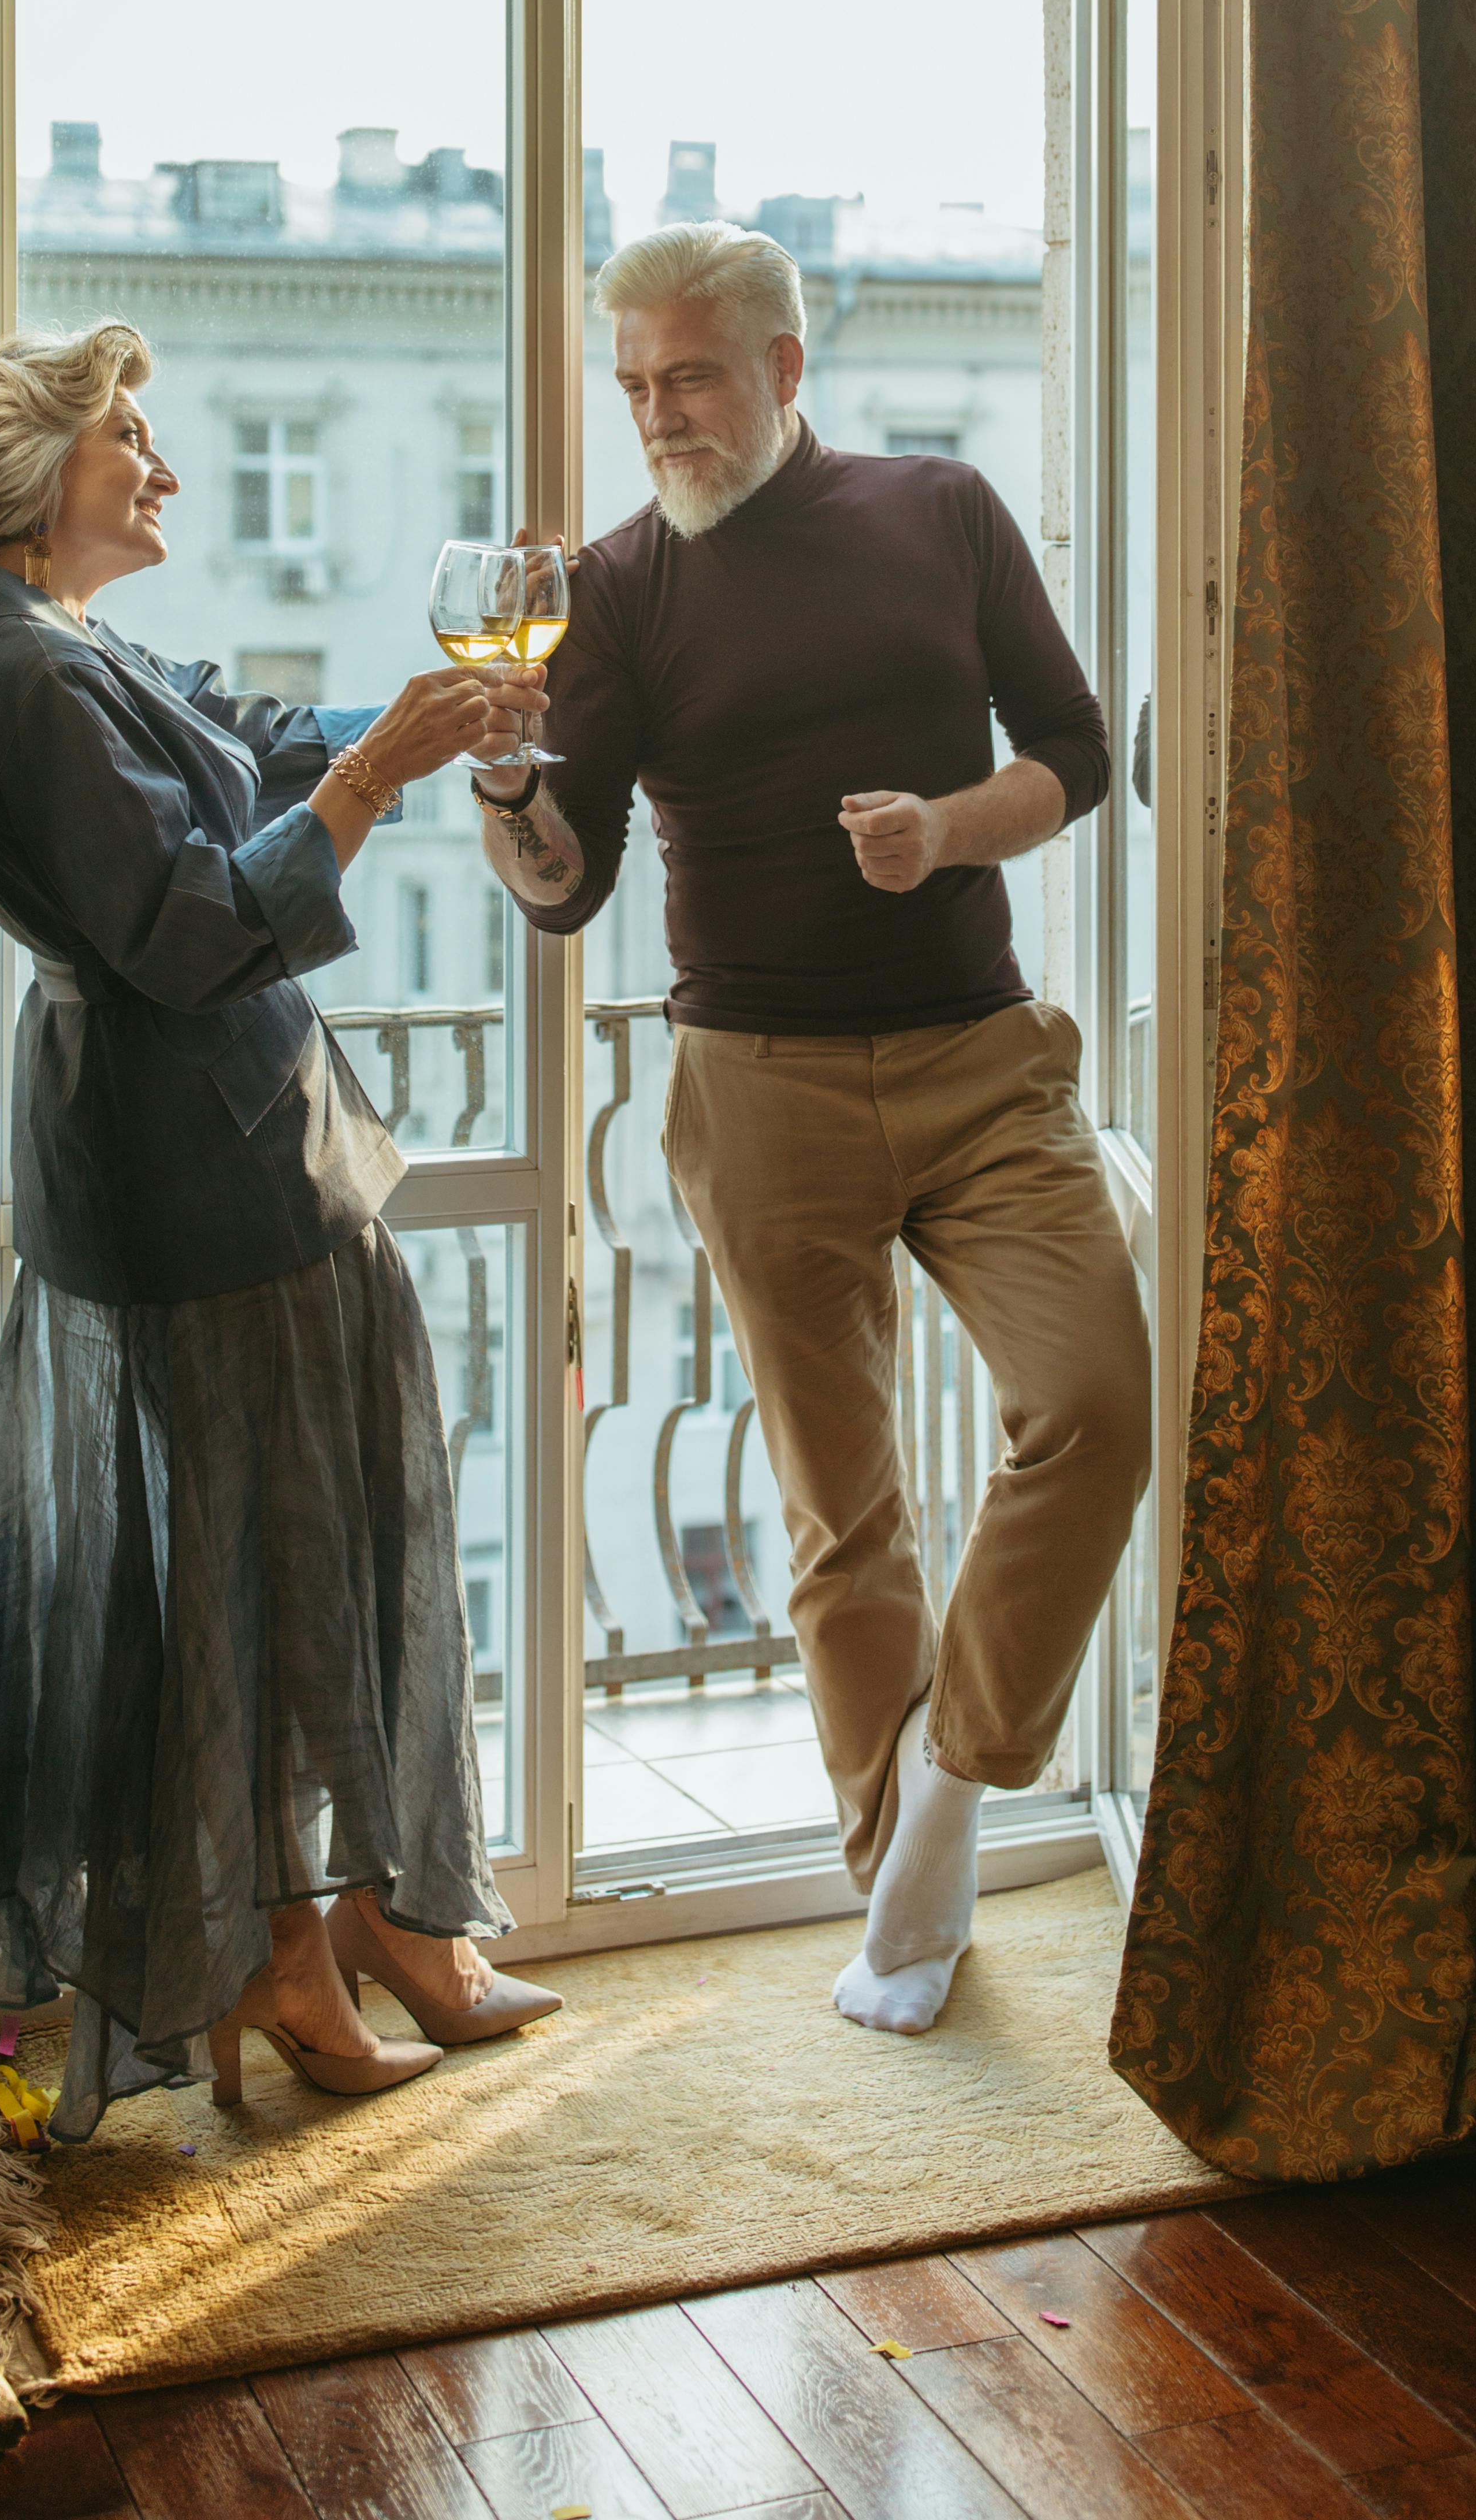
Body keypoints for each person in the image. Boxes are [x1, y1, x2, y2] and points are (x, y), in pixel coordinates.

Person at [471, 224, 1150, 2033]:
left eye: (687, 375)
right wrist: (508, 788)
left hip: (984, 1060)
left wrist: (947, 830)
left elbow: (1074, 753)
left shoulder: (941, 509)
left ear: (783, 367)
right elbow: (563, 886)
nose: (657, 416)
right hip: (756, 1084)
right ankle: (901, 1895)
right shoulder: (618, 587)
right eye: (633, 386)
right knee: (845, 1517)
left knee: (1095, 1406)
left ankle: (953, 1783)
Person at [0, 319, 561, 2140]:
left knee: (292, 1544)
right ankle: (296, 1937)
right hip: (194, 1165)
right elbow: (183, 930)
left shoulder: (69, 644)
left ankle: (351, 1916)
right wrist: (382, 776)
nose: (157, 466)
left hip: (217, 1146)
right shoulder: (24, 674)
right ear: (29, 472)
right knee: (258, 1562)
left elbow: (252, 735)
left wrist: (424, 711)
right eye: (127, 439)